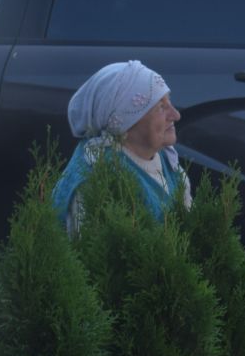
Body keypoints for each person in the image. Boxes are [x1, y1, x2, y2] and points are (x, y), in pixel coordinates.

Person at [51, 60, 191, 235]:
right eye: (160, 107)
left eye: (169, 101)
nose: (176, 115)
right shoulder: (96, 181)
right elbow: (89, 255)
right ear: (125, 123)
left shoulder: (166, 162)